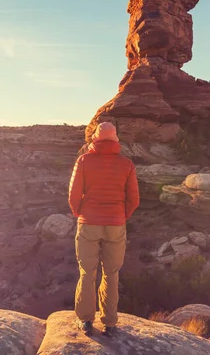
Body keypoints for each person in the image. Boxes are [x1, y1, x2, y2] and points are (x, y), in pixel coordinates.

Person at [68, 121, 140, 337]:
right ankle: (109, 323)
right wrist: (121, 215)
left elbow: (73, 195)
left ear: (95, 138)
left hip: (88, 223)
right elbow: (134, 199)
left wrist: (80, 213)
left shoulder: (83, 161)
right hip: (116, 224)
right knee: (111, 273)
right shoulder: (126, 164)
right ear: (115, 139)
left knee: (87, 272)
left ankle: (86, 321)